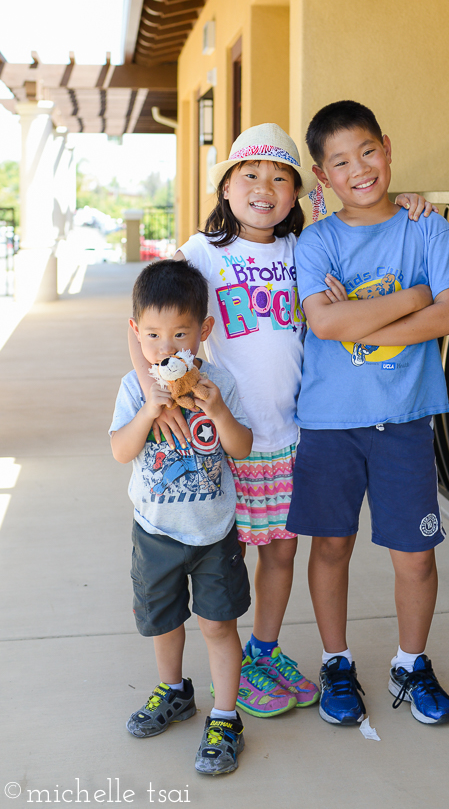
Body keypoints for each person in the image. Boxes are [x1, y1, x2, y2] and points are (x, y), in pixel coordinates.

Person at [128, 123, 436, 719]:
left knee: (281, 551)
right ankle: (229, 656)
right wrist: (154, 395)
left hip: (293, 436)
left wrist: (409, 203)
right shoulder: (199, 254)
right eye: (250, 175)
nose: (264, 188)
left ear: (299, 193)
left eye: (279, 178)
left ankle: (264, 651)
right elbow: (143, 323)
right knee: (228, 554)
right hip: (224, 439)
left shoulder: (306, 249)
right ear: (226, 186)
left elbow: (363, 240)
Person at [286, 100, 449, 728]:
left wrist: (376, 312)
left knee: (416, 555)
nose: (359, 169)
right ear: (324, 177)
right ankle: (336, 660)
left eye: (368, 151)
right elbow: (324, 320)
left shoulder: (427, 229)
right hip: (330, 422)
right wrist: (415, 295)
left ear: (387, 148)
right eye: (340, 162)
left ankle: (410, 662)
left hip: (404, 418)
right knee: (331, 544)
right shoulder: (316, 241)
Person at [110, 259, 253, 775]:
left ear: (204, 332)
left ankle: (224, 716)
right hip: (155, 533)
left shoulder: (218, 383)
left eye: (179, 334)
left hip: (214, 532)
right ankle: (173, 692)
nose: (165, 348)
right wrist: (149, 410)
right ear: (136, 333)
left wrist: (217, 413)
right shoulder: (135, 388)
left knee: (219, 625)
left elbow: (241, 447)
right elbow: (121, 451)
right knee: (164, 623)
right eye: (152, 334)